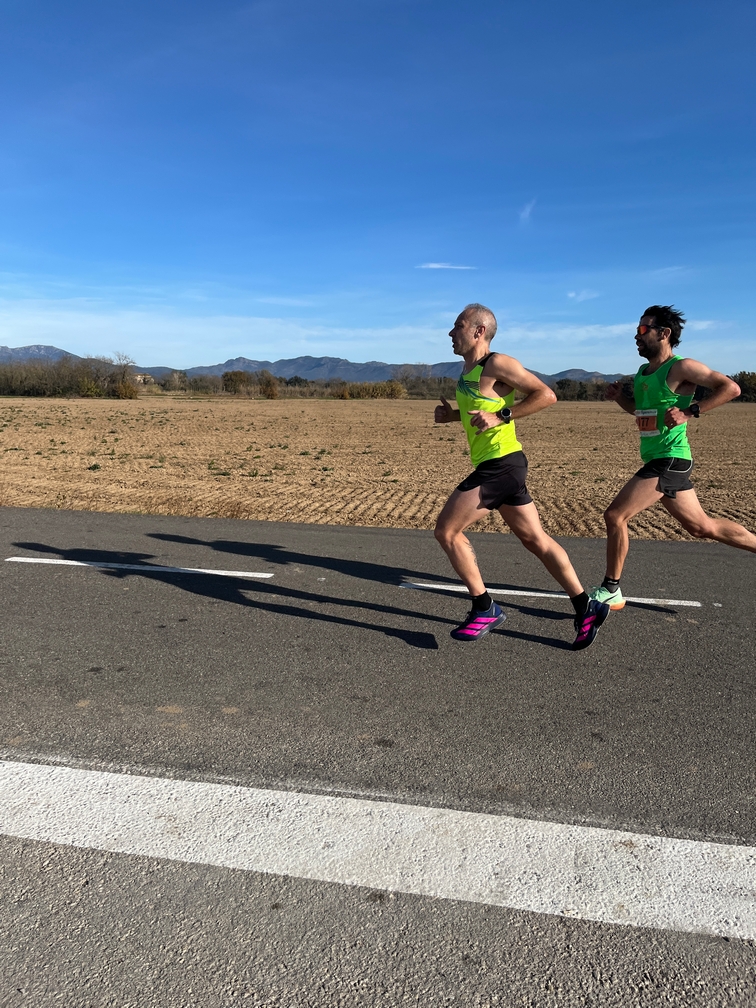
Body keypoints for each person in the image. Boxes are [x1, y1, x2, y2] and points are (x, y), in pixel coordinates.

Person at [434, 303, 609, 650]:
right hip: (499, 465)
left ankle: (484, 608)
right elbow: (481, 413)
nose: (451, 333)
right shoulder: (467, 371)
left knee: (447, 530)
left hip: (502, 464)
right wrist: (452, 416)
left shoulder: (497, 363)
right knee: (535, 540)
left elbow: (546, 395)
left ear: (479, 331)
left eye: (458, 325)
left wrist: (503, 416)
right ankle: (585, 606)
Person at [589, 304, 756, 610]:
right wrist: (620, 398)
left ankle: (611, 589)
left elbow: (731, 388)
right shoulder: (643, 373)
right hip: (659, 458)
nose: (637, 336)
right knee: (701, 527)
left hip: (670, 459)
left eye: (643, 329)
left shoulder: (680, 368)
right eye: (636, 330)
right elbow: (640, 413)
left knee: (615, 515)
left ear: (664, 333)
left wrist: (690, 411)